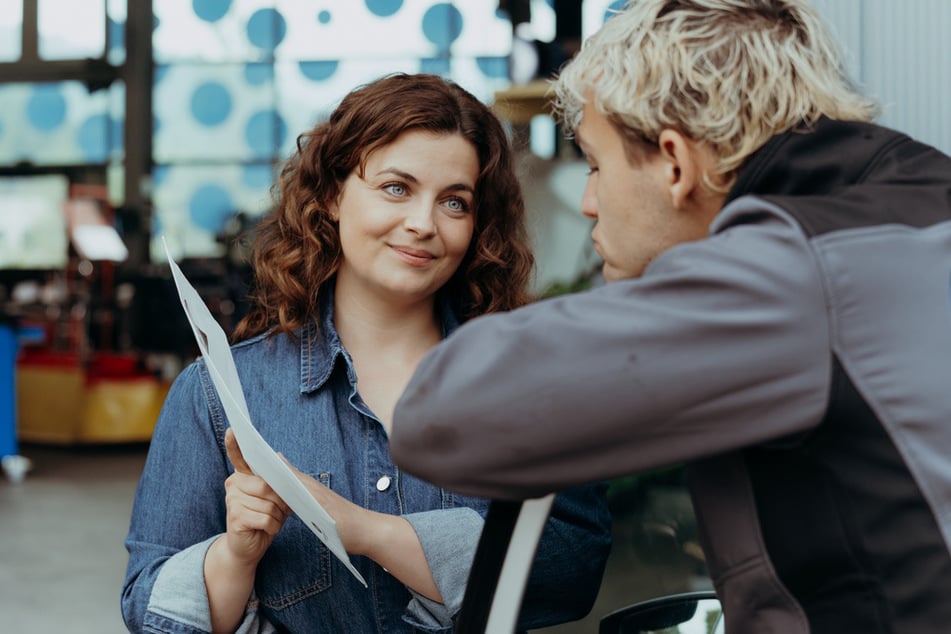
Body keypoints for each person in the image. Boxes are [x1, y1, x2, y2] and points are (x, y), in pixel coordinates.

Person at [390, 2, 951, 633]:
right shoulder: (920, 202)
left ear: (676, 164)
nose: (588, 201)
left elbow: (442, 415)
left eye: (598, 165)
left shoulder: (790, 273)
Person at [121, 73, 611, 634]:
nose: (423, 224)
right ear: (331, 195)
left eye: (454, 202)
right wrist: (236, 554)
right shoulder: (217, 395)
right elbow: (149, 606)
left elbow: (572, 568)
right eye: (396, 188)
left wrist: (365, 530)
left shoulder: (528, 384)